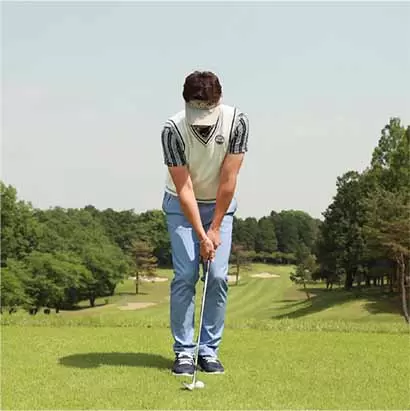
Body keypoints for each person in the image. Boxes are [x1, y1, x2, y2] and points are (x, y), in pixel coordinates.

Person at [160, 70, 249, 376]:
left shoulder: (237, 122)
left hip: (219, 206)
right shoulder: (172, 129)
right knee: (185, 275)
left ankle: (208, 351)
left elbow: (229, 178)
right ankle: (184, 352)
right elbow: (184, 187)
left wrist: (214, 228)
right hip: (181, 206)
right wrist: (202, 234)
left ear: (218, 99)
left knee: (217, 276)